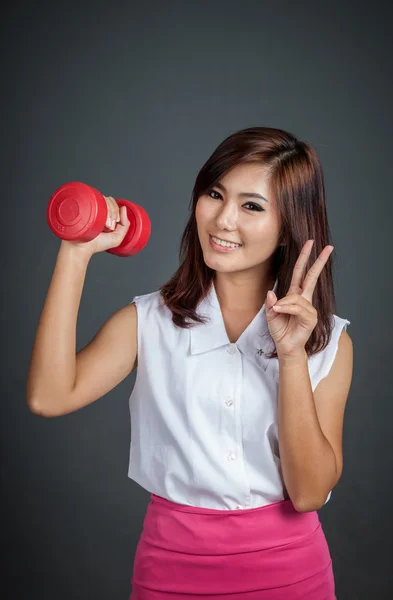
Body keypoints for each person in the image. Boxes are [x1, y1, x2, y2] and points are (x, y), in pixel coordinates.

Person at [26, 126, 353, 599]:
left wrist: (291, 356)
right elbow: (48, 396)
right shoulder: (148, 322)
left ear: (289, 229)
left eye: (252, 206)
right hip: (169, 571)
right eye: (214, 194)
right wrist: (75, 253)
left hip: (290, 575)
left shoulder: (329, 342)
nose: (222, 220)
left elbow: (308, 494)